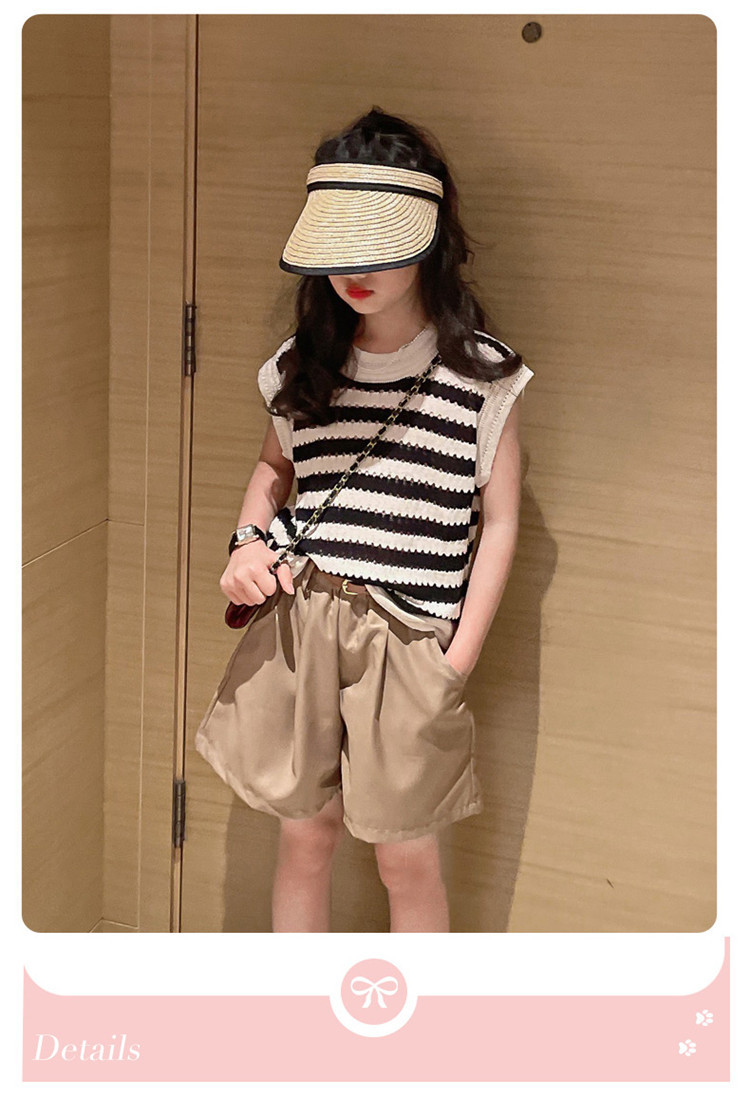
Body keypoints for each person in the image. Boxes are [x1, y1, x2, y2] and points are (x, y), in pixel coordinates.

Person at [195, 107, 534, 932]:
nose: (356, 268)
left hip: (413, 638)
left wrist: (456, 658)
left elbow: (500, 521)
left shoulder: (481, 376)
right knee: (304, 837)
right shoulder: (302, 364)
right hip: (301, 618)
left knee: (405, 858)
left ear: (430, 238)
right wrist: (246, 543)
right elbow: (274, 471)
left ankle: (415, 1016)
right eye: (340, 245)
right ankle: (303, 1007)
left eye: (380, 243)